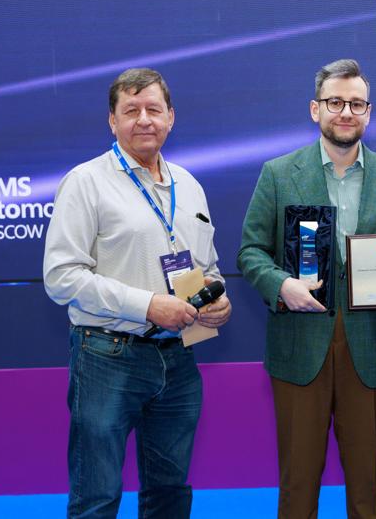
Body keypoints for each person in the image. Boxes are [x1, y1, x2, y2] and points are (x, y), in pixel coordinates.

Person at [43, 68, 232, 518]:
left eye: (153, 109)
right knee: (97, 497)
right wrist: (147, 305)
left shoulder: (189, 185)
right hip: (107, 356)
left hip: (179, 358)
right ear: (113, 121)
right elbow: (61, 276)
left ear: (171, 117)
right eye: (131, 110)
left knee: (169, 493)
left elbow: (205, 267)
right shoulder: (85, 182)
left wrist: (216, 302)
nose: (144, 119)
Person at [237, 58, 376, 519]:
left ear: (369, 113)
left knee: (368, 486)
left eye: (357, 104)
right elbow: (251, 252)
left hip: (368, 350)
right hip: (299, 348)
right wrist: (282, 284)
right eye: (335, 102)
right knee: (297, 485)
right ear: (315, 109)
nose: (346, 112)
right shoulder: (278, 174)